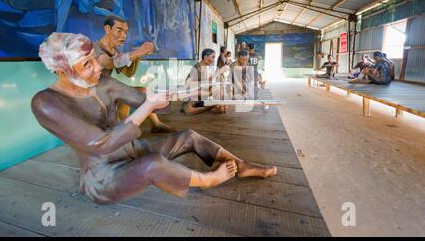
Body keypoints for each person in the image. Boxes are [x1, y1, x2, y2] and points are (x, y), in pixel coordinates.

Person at [31, 33, 277, 204]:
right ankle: (207, 180)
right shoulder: (46, 103)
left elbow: (147, 98)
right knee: (152, 164)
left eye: (95, 59)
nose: (97, 68)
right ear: (63, 73)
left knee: (188, 136)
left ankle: (241, 166)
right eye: (87, 65)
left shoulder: (101, 81)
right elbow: (102, 143)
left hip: (131, 149)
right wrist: (149, 104)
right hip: (103, 176)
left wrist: (198, 88)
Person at [94, 15, 175, 133]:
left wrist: (138, 56)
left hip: (108, 91)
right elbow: (109, 63)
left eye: (126, 32)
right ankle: (123, 129)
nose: (123, 35)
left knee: (142, 90)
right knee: (123, 92)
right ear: (107, 29)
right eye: (119, 30)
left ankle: (156, 124)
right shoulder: (94, 47)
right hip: (93, 94)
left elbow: (128, 73)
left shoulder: (115, 51)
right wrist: (137, 52)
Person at [182, 49, 229, 115]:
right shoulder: (197, 68)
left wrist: (219, 72)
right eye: (213, 57)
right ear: (205, 57)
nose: (213, 60)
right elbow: (187, 84)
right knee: (189, 110)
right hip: (192, 98)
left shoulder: (204, 67)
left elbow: (207, 82)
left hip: (201, 98)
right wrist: (219, 72)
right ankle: (212, 105)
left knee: (222, 104)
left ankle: (215, 105)